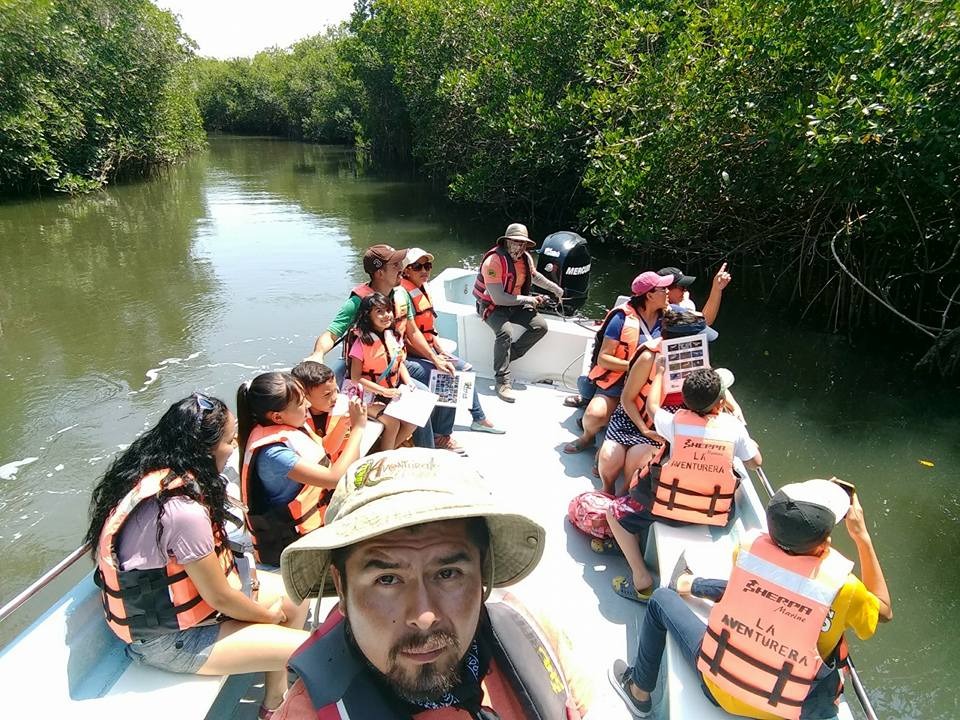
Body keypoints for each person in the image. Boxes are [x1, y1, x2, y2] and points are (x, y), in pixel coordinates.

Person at [274, 448, 592, 719]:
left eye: (448, 573)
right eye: (387, 579)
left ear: (482, 574)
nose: (424, 617)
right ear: (342, 588)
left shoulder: (536, 637)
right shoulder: (306, 714)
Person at [85, 394, 309, 719]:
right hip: (171, 641)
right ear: (205, 451)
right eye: (230, 441)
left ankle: (274, 700)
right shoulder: (182, 511)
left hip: (197, 613)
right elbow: (220, 598)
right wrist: (268, 617)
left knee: (295, 594)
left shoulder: (152, 475)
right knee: (306, 649)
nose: (233, 448)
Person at [609, 479, 893, 719]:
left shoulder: (746, 554)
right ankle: (689, 583)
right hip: (789, 708)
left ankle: (639, 691)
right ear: (826, 542)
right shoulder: (846, 589)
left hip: (721, 687)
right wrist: (862, 537)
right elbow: (884, 611)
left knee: (660, 598)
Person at [605, 368, 762, 603]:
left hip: (667, 509)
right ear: (721, 403)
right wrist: (750, 443)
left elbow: (652, 406)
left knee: (614, 513)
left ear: (684, 400)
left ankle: (641, 578)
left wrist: (660, 371)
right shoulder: (734, 428)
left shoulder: (673, 422)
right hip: (713, 514)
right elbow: (755, 463)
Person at [311, 243, 457, 450]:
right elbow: (331, 333)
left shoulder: (400, 294)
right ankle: (427, 450)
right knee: (421, 394)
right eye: (396, 265)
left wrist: (436, 358)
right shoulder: (358, 302)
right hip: (372, 370)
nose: (401, 269)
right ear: (380, 273)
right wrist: (318, 354)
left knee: (448, 375)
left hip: (398, 361)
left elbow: (413, 332)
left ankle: (442, 435)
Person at [237, 371, 367, 567]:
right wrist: (358, 428)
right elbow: (334, 478)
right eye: (300, 403)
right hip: (293, 544)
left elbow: (324, 451)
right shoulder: (274, 454)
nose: (307, 404)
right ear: (277, 417)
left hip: (317, 524)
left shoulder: (290, 426)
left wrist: (344, 425)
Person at [596, 309, 718, 495]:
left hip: (663, 425)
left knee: (638, 458)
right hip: (633, 418)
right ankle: (607, 488)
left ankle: (624, 494)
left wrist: (734, 408)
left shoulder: (698, 359)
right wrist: (644, 430)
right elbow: (627, 399)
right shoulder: (649, 357)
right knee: (609, 458)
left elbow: (715, 383)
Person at [563, 271, 672, 455]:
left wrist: (716, 290)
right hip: (619, 381)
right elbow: (604, 358)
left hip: (651, 383)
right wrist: (636, 366)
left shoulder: (669, 316)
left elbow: (703, 321)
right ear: (650, 295)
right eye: (664, 288)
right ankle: (588, 437)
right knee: (593, 416)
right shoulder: (621, 318)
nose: (668, 291)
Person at [400, 247, 504, 436]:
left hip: (428, 349)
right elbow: (410, 337)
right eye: (417, 267)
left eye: (427, 266)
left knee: (465, 369)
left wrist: (440, 351)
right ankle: (442, 434)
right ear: (406, 271)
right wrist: (435, 358)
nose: (424, 271)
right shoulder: (403, 295)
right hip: (410, 357)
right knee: (449, 374)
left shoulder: (423, 288)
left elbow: (429, 328)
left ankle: (478, 418)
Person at [473, 222, 563, 403]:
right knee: (505, 332)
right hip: (492, 306)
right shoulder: (493, 262)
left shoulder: (526, 258)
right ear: (506, 241)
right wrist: (528, 299)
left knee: (540, 327)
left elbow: (534, 276)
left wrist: (554, 288)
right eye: (515, 241)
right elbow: (499, 298)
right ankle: (502, 381)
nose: (519, 246)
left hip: (515, 303)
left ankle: (508, 356)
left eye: (523, 243)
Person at [348, 292, 417, 451]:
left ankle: (383, 452)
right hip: (366, 396)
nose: (386, 315)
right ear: (368, 316)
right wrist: (383, 391)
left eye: (388, 310)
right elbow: (355, 378)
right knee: (393, 423)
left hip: (390, 392)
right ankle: (385, 455)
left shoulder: (393, 336)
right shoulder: (360, 343)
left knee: (412, 422)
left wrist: (409, 382)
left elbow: (398, 363)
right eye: (379, 311)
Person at [290, 360, 363, 464]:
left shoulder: (344, 405)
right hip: (321, 470)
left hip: (345, 464)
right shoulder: (297, 420)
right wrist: (342, 425)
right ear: (304, 396)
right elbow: (325, 450)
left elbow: (355, 446)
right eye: (327, 394)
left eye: (336, 390)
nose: (335, 398)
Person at [657, 263, 732, 325]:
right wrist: (716, 288)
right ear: (666, 290)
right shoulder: (666, 311)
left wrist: (717, 288)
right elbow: (706, 320)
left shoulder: (683, 304)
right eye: (682, 287)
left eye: (685, 287)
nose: (685, 291)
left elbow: (705, 320)